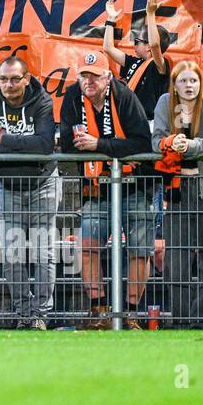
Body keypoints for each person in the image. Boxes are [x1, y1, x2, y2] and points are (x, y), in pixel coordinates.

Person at [58, 49, 153, 329]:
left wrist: (99, 146)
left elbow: (142, 144)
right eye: (84, 76)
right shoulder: (72, 98)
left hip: (134, 186)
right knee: (88, 249)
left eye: (95, 76)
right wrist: (105, 150)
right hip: (94, 187)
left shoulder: (124, 97)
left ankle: (130, 312)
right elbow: (67, 145)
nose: (89, 82)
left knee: (140, 251)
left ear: (108, 77)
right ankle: (98, 310)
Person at [0, 55, 59, 329]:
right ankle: (25, 315)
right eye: (3, 79)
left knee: (44, 252)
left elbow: (44, 145)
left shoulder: (42, 100)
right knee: (11, 253)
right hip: (8, 184)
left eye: (15, 79)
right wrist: (23, 145)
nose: (8, 85)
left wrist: (4, 139)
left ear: (26, 79)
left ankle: (41, 315)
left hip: (44, 182)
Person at [152, 60, 203, 328]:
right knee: (176, 259)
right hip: (177, 190)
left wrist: (191, 146)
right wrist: (170, 143)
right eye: (183, 81)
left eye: (193, 80)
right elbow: (156, 139)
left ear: (201, 82)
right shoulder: (165, 103)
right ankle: (182, 320)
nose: (189, 86)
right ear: (174, 84)